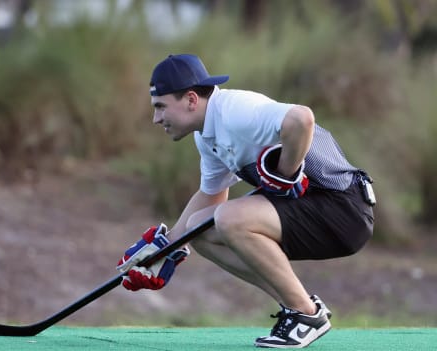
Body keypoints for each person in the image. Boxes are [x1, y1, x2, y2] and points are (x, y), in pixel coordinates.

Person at [116, 54, 375, 348]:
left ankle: (306, 314)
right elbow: (210, 195)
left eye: (161, 107)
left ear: (190, 99)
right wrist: (165, 249)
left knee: (227, 218)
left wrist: (286, 173)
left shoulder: (236, 111)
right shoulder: (207, 134)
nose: (156, 118)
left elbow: (302, 119)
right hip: (316, 207)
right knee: (198, 228)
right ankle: (298, 308)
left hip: (344, 208)